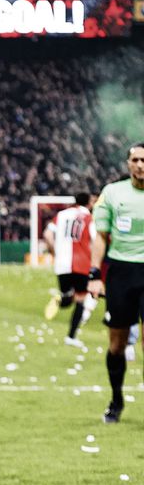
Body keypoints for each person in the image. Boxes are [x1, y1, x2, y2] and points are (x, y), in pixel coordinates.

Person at [88, 142, 144, 423]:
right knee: (116, 344)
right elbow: (100, 236)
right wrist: (95, 275)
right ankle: (116, 400)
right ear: (127, 163)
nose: (140, 165)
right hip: (121, 272)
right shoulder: (112, 193)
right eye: (135, 160)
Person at [42, 192, 97, 347]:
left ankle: (61, 299)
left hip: (62, 264)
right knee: (80, 300)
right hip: (82, 264)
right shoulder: (89, 218)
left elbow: (47, 235)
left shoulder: (61, 215)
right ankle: (71, 337)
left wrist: (55, 253)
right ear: (89, 203)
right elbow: (95, 240)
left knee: (68, 295)